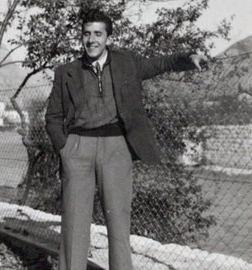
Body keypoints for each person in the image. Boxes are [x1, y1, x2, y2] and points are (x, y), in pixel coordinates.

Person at [45, 9, 207, 270]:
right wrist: (64, 149)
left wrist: (188, 57)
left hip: (116, 148)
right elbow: (53, 116)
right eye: (86, 34)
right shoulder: (67, 72)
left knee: (119, 222)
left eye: (98, 34)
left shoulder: (127, 63)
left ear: (108, 36)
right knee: (74, 222)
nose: (92, 40)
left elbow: (161, 63)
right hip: (77, 148)